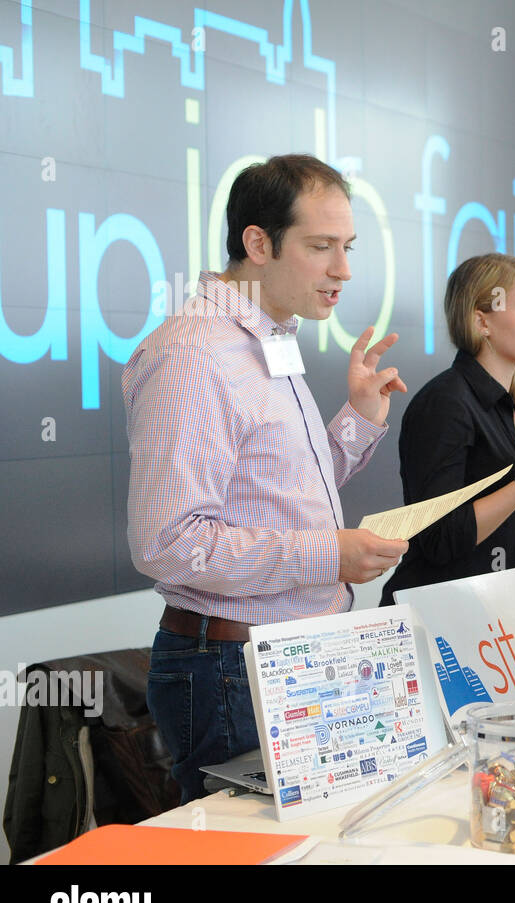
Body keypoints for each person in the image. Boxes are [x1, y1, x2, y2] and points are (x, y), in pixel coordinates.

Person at [123, 155, 410, 803]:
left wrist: (358, 420)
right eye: (321, 247)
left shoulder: (268, 335)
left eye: (348, 247)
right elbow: (169, 542)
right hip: (233, 671)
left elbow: (282, 492)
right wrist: (326, 552)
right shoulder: (194, 353)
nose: (344, 270)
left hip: (291, 656)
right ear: (258, 243)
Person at [380, 254, 515, 604]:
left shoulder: (510, 406)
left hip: (481, 621)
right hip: (431, 622)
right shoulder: (446, 403)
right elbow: (441, 539)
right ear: (482, 321)